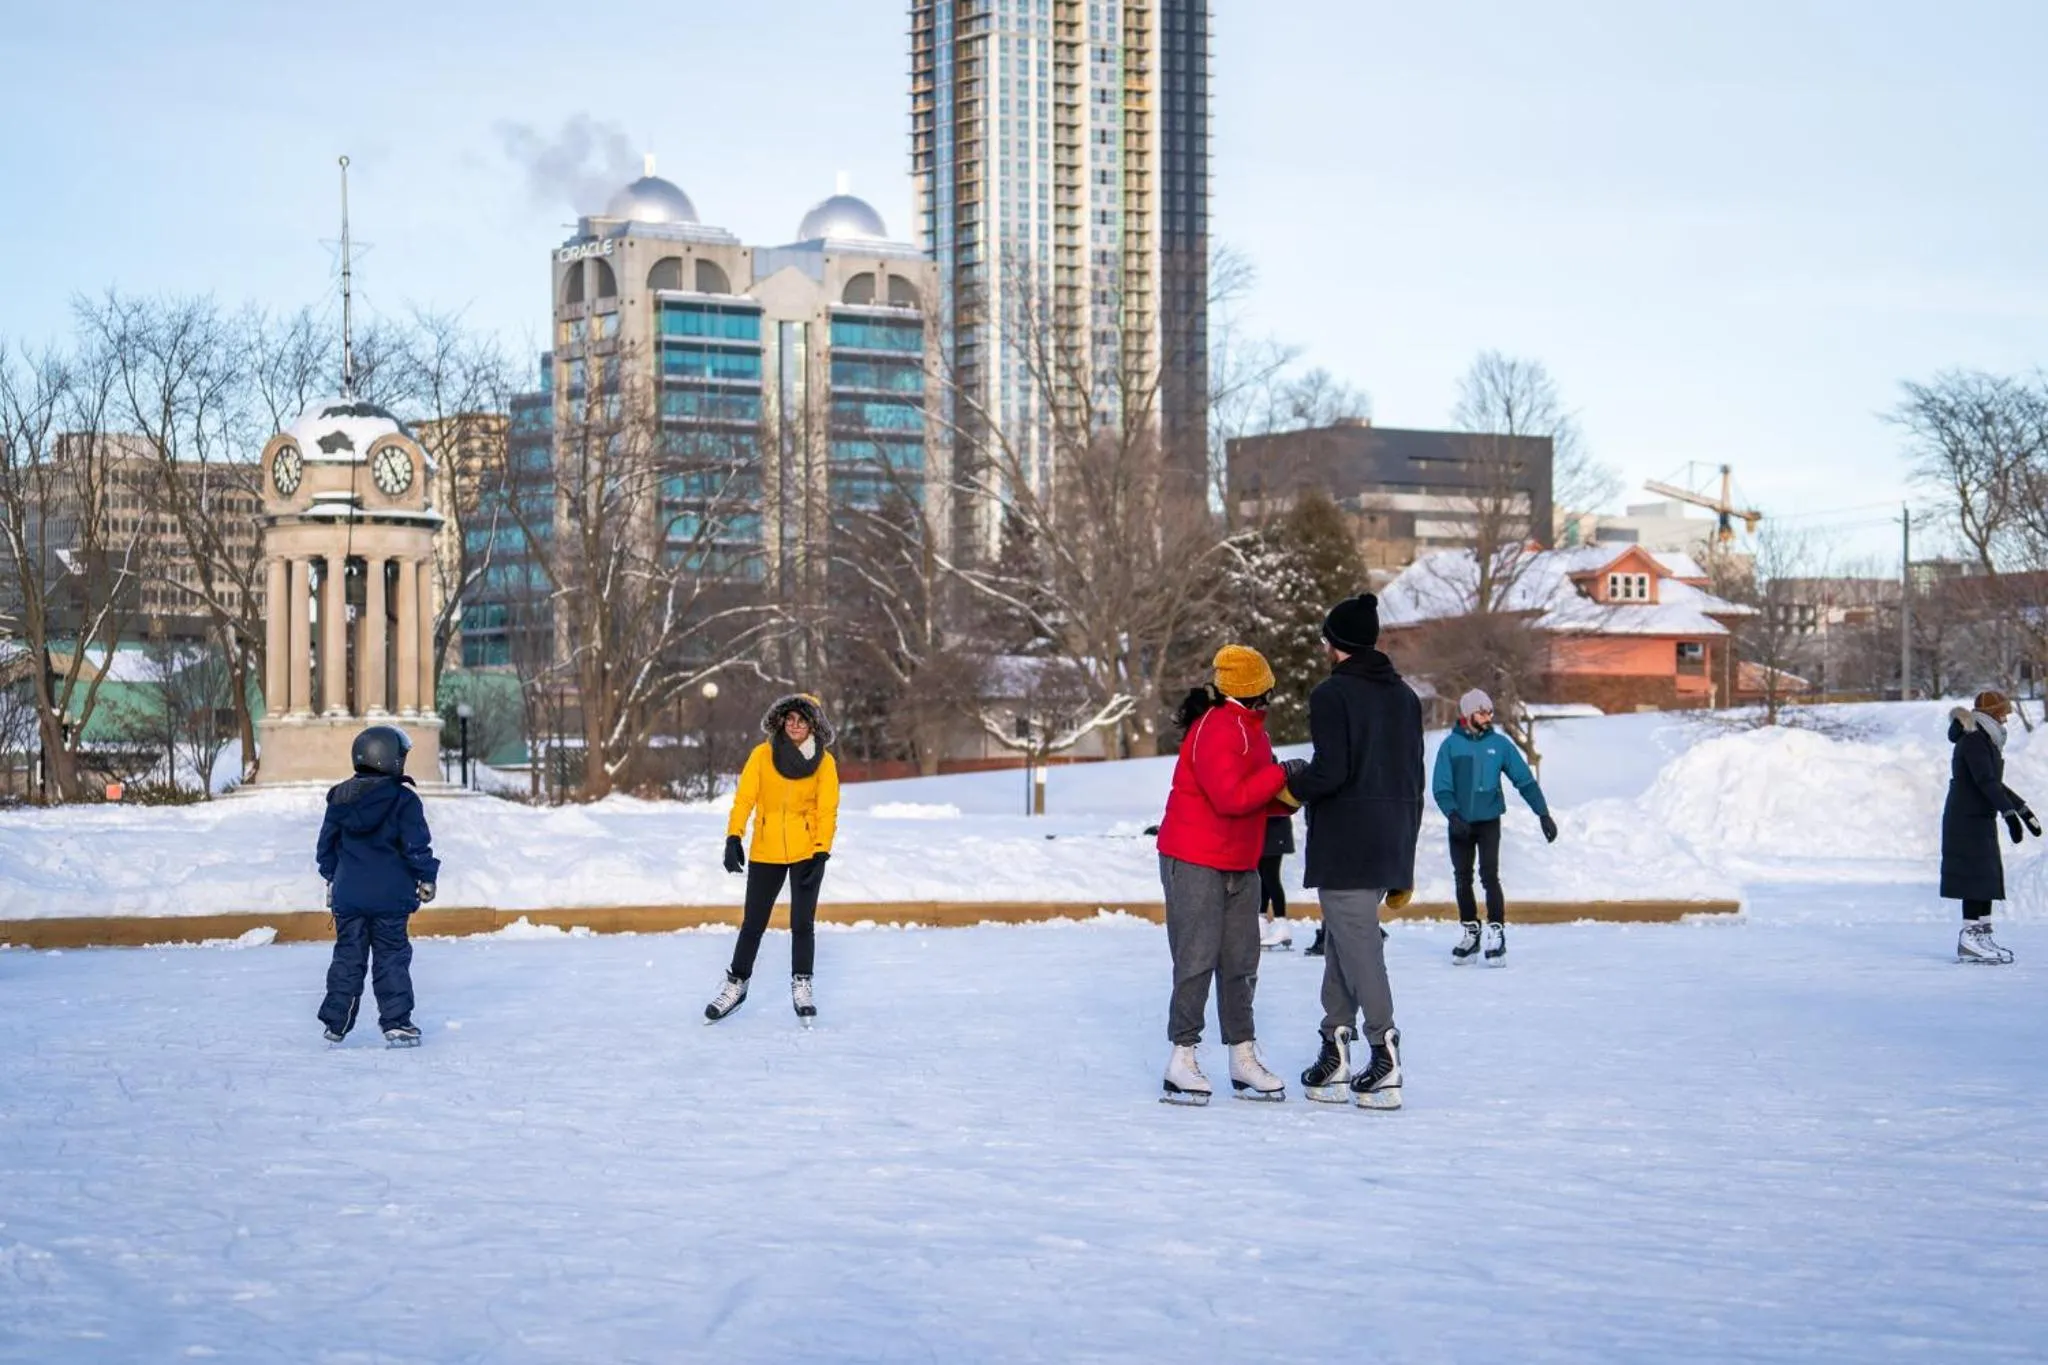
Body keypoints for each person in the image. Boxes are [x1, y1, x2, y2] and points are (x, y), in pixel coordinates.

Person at [1282, 594, 1422, 1111]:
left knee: (1359, 944)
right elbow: (1413, 776)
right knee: (1343, 941)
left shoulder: (1331, 695)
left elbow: (1331, 771)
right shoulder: (1405, 697)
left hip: (1347, 838)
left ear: (1334, 643)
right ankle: (1334, 1049)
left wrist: (1290, 788)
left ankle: (1383, 1051)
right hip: (1390, 834)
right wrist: (1405, 853)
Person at [1154, 644, 1299, 1104]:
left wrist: (1298, 789)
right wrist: (1281, 775)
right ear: (1258, 688)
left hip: (1240, 860)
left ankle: (1242, 1056)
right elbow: (1231, 798)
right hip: (1194, 856)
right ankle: (1182, 1057)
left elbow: (1257, 794)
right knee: (1196, 959)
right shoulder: (1216, 726)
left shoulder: (1253, 729)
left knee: (1241, 962)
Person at [707, 694, 841, 1023]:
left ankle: (802, 983)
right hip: (766, 850)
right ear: (781, 721)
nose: (795, 725)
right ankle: (736, 985)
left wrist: (821, 851)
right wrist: (733, 836)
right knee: (753, 923)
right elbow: (744, 799)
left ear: (813, 724)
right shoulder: (762, 755)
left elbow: (827, 810)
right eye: (790, 718)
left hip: (807, 850)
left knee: (802, 923)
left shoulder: (824, 763)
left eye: (802, 719)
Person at [316, 725, 440, 1047]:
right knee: (391, 958)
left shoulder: (339, 798)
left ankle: (336, 1022)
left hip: (350, 898)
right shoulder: (403, 800)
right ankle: (396, 1022)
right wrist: (426, 877)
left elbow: (325, 849)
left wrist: (333, 878)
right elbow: (416, 846)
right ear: (388, 759)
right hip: (390, 899)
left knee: (347, 958)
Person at [1432, 688, 1559, 966]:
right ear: (1468, 714)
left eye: (1490, 711)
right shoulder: (1451, 746)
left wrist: (1543, 814)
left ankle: (1497, 933)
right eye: (1482, 712)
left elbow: (1524, 780)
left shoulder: (1500, 745)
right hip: (1460, 822)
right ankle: (1470, 932)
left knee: (1490, 875)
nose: (1488, 716)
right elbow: (1441, 787)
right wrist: (1452, 815)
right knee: (1462, 877)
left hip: (1489, 819)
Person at [1943, 690, 2040, 964]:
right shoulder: (1974, 739)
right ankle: (1969, 938)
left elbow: (1993, 782)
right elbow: (1986, 781)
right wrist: (2008, 813)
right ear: (1992, 713)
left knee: (1985, 877)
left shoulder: (1983, 738)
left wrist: (2021, 809)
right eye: (2003, 713)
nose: (2006, 719)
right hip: (1966, 818)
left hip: (1978, 816)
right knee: (1975, 877)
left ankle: (1981, 935)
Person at [1257, 810, 1297, 951]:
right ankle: (1261, 923)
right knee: (1262, 877)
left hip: (1275, 828)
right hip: (1262, 826)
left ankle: (1281, 923)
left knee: (1270, 877)